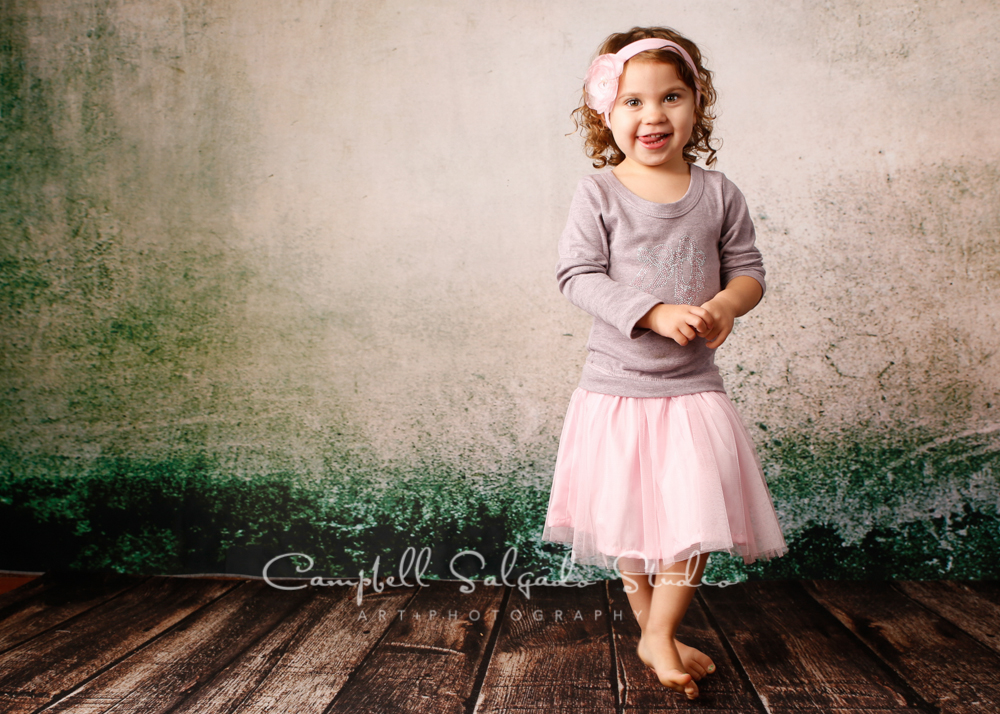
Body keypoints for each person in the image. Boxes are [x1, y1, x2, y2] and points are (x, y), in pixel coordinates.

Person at [541, 26, 789, 700]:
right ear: (604, 113)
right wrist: (652, 311)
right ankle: (655, 631)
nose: (653, 116)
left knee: (693, 511)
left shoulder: (717, 193)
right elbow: (576, 275)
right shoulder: (600, 194)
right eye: (632, 102)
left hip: (690, 388)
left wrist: (726, 307)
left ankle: (661, 628)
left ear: (696, 104)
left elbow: (748, 270)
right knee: (627, 515)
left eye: (671, 97)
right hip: (616, 387)